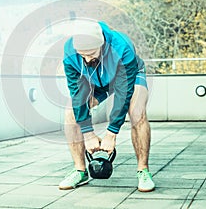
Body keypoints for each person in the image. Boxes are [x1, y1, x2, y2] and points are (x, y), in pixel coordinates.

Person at [59, 20, 155, 192]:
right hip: (95, 80)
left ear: (102, 44)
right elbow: (77, 94)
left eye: (91, 53)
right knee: (70, 113)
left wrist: (111, 133)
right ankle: (80, 171)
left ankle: (143, 170)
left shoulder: (122, 47)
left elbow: (123, 93)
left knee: (137, 112)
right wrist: (88, 134)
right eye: (83, 55)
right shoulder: (69, 52)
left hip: (128, 76)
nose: (87, 59)